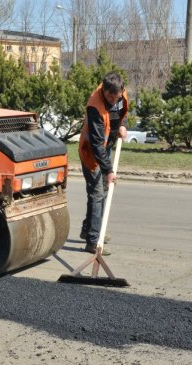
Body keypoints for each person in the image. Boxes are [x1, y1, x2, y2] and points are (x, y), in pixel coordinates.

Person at [78, 72, 129, 255]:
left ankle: (90, 229)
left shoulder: (121, 95)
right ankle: (93, 241)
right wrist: (108, 170)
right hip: (91, 152)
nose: (112, 101)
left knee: (103, 192)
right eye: (109, 97)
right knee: (98, 194)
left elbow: (123, 113)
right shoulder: (95, 107)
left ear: (121, 90)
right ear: (103, 91)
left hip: (107, 146)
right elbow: (97, 144)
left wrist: (123, 125)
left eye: (116, 97)